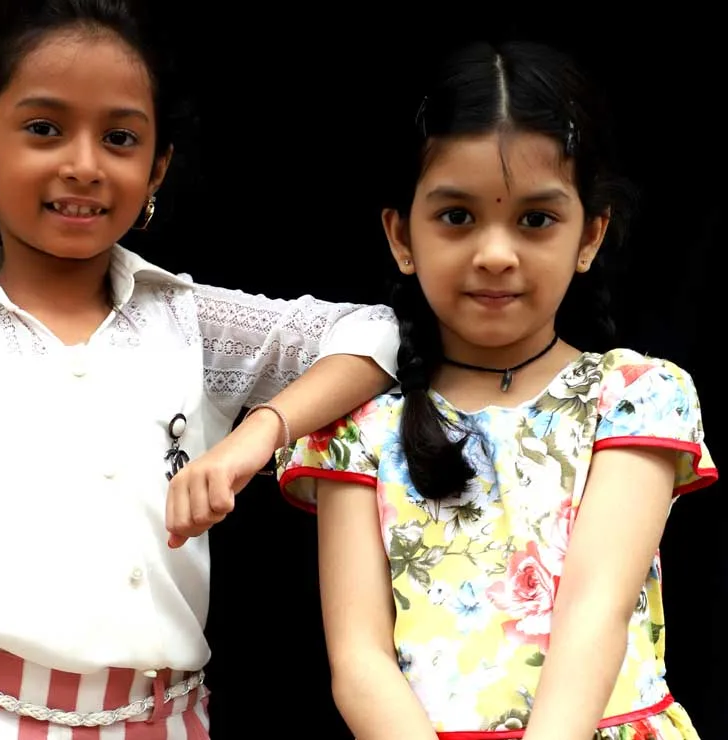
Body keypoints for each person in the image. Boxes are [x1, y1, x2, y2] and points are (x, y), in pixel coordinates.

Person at [0, 1, 400, 737]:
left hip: (167, 721)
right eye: (44, 128)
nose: (84, 165)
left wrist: (258, 434)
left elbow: (375, 333)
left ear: (157, 167)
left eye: (119, 138)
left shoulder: (188, 323)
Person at [272, 41, 718, 740]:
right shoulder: (355, 424)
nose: (496, 254)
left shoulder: (633, 396)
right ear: (401, 236)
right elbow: (359, 660)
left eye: (536, 220)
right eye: (457, 216)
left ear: (590, 236)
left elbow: (596, 612)